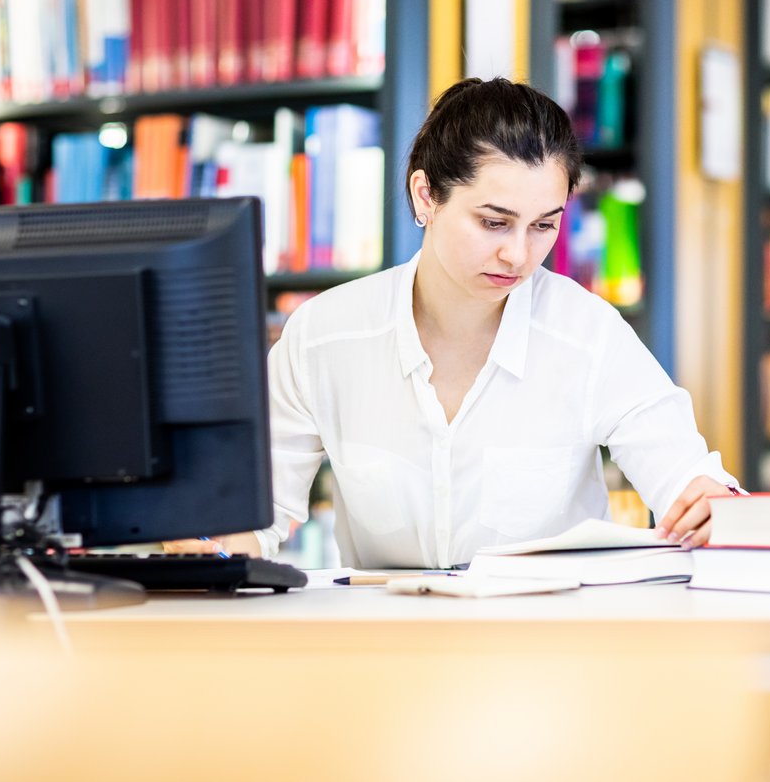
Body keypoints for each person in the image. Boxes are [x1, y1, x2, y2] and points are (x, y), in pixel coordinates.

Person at [168, 77, 740, 568]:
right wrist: (207, 546)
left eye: (544, 225)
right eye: (494, 223)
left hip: (549, 657)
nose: (519, 255)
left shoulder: (588, 335)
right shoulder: (323, 336)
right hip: (381, 653)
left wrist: (706, 503)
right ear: (426, 196)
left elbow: (686, 482)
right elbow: (252, 512)